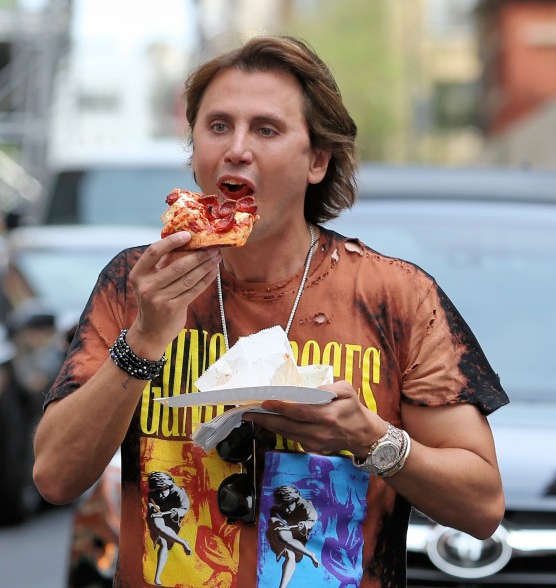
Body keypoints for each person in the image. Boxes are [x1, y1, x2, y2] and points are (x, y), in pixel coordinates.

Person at [33, 35, 508, 587]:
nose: (236, 148)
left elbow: (482, 508)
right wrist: (143, 339)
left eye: (266, 129)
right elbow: (55, 477)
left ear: (317, 161)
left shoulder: (395, 297)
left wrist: (371, 439)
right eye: (217, 126)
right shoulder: (137, 283)